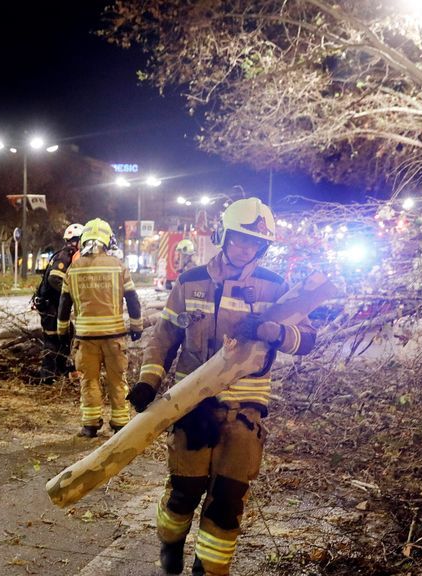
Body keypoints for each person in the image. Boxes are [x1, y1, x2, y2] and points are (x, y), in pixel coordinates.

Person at [127, 198, 316, 575]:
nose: (246, 249)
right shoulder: (190, 282)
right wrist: (148, 382)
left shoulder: (275, 287)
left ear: (263, 248)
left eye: (254, 243)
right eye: (240, 239)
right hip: (192, 407)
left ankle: (208, 568)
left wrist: (275, 331)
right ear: (223, 236)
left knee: (228, 499)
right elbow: (164, 338)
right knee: (185, 491)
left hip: (244, 413)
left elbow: (307, 339)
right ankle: (171, 541)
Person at [57, 218, 142, 437]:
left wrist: (62, 332)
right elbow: (133, 299)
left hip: (86, 338)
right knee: (117, 379)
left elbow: (64, 304)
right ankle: (120, 424)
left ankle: (90, 424)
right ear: (108, 240)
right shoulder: (118, 266)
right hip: (114, 337)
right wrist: (136, 327)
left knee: (89, 380)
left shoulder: (74, 269)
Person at [33, 223, 84, 384]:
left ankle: (61, 369)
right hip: (49, 306)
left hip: (53, 305)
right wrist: (70, 293)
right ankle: (47, 376)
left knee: (67, 334)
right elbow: (54, 278)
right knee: (52, 339)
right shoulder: (65, 256)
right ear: (77, 240)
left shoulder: (68, 254)